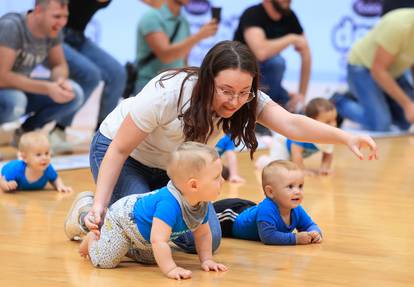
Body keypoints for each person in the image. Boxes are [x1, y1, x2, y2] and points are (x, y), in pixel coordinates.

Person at [63, 40, 376, 254]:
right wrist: (100, 206)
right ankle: (86, 211)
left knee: (208, 241)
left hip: (173, 172)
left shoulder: (245, 101)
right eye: (226, 91)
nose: (235, 101)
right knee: (143, 231)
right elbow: (118, 150)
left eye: (244, 92)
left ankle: (131, 230)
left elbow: (293, 123)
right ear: (207, 80)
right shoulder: (166, 93)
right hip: (123, 155)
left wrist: (346, 138)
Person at [79, 142, 228, 280]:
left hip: (142, 235)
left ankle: (121, 245)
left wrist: (207, 260)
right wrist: (170, 269)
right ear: (194, 185)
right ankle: (94, 238)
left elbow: (202, 234)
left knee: (152, 258)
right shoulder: (169, 205)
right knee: (104, 262)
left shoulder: (202, 204)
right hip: (121, 220)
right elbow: (158, 239)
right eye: (216, 177)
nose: (222, 181)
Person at [0, 0, 84, 151]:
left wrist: (59, 82)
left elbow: (59, 64)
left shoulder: (52, 30)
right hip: (5, 90)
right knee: (16, 100)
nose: (62, 22)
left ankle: (24, 133)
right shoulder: (11, 26)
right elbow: (2, 77)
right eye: (57, 16)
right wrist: (47, 88)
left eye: (65, 16)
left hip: (19, 90)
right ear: (38, 10)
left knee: (73, 93)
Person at [332, 9, 414, 132]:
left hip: (394, 71)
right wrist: (407, 104)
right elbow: (378, 71)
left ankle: (372, 102)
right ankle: (339, 101)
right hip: (362, 67)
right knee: (381, 124)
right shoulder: (399, 26)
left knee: (405, 122)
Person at [214, 160, 322, 245]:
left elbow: (310, 225)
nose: (297, 191)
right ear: (270, 192)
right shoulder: (267, 209)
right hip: (230, 217)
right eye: (290, 187)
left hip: (250, 209)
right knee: (207, 222)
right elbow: (268, 237)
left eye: (300, 186)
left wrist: (315, 232)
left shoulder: (296, 209)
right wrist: (295, 239)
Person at [62, 0, 130, 132]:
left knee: (117, 73)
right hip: (56, 35)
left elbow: (156, 4)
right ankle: (59, 128)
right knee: (91, 75)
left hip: (78, 37)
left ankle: (103, 132)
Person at [233, 0, 310, 113]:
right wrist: (291, 38)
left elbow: (306, 52)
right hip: (242, 73)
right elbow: (261, 53)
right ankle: (259, 111)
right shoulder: (252, 14)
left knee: (299, 111)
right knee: (277, 62)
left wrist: (302, 95)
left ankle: (274, 101)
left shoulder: (289, 16)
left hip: (269, 82)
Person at [134, 0, 218, 92]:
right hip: (149, 86)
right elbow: (166, 55)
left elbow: (183, 60)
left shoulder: (183, 20)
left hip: (174, 88)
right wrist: (199, 36)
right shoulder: (152, 17)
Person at [256, 98, 337, 176]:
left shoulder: (328, 137)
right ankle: (264, 161)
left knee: (288, 167)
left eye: (334, 120)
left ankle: (270, 142)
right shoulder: (305, 132)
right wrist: (302, 170)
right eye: (328, 122)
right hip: (282, 142)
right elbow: (296, 153)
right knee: (279, 169)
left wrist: (324, 168)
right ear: (312, 121)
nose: (334, 124)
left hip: (291, 152)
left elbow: (328, 154)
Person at [0, 131, 72, 192]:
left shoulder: (47, 168)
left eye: (47, 153)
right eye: (38, 155)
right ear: (25, 158)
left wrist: (60, 186)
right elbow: (2, 183)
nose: (44, 157)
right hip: (5, 171)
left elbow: (55, 179)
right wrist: (7, 185)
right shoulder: (15, 169)